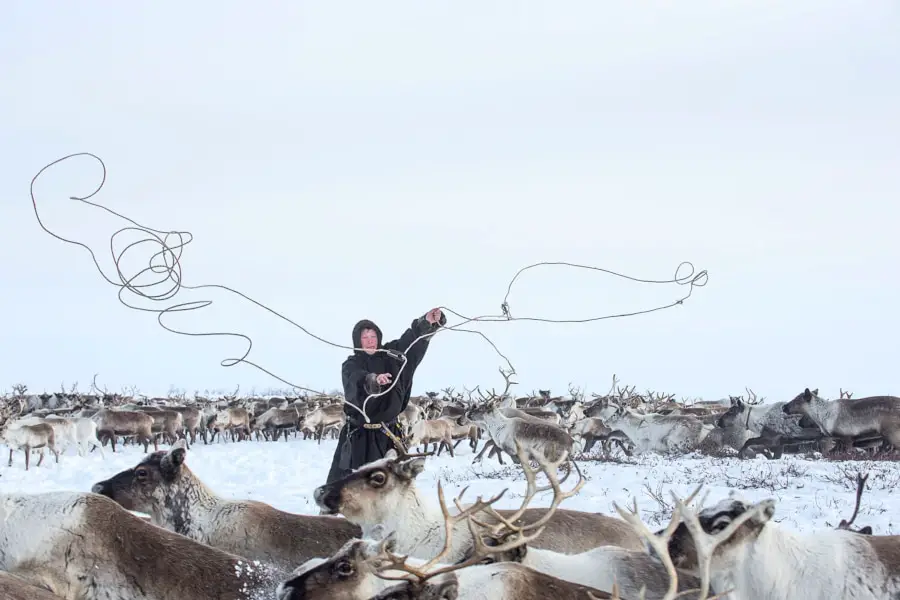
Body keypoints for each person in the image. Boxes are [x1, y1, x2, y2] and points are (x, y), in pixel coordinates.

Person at [324, 307, 446, 484]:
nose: (370, 341)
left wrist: (427, 323)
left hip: (389, 434)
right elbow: (355, 378)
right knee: (352, 488)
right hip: (360, 438)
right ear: (357, 340)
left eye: (373, 337)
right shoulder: (351, 364)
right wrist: (373, 381)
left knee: (392, 489)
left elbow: (410, 343)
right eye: (364, 338)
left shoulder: (390, 355)